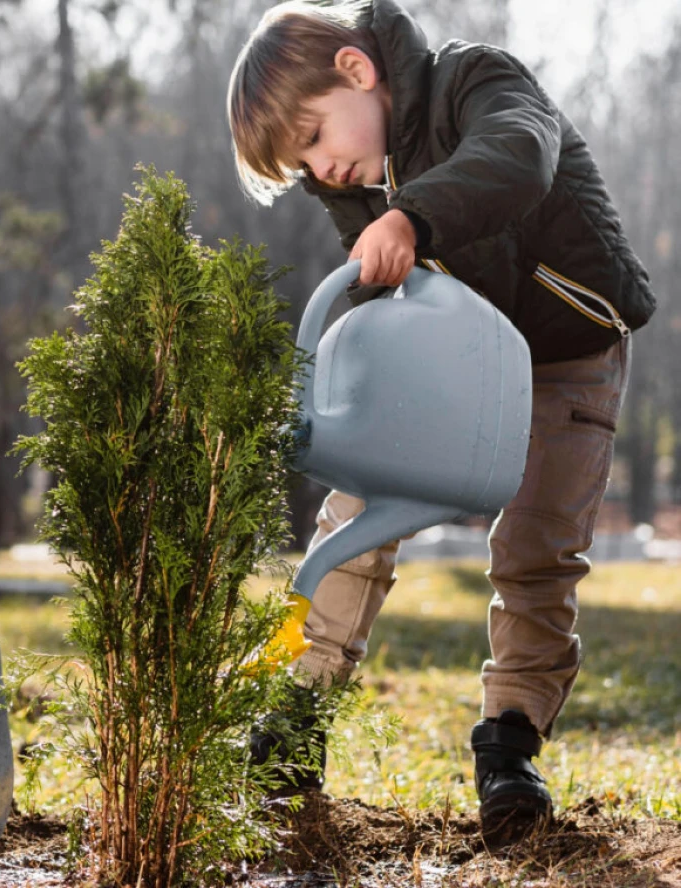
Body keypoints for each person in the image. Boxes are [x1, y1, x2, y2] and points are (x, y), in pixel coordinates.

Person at [227, 0, 654, 842]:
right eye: (300, 163)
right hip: (459, 359)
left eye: (315, 138)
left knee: (536, 548)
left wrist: (412, 216)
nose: (320, 169)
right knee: (359, 508)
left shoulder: (475, 80)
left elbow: (518, 157)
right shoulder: (353, 180)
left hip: (567, 348)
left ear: (357, 71)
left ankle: (510, 748)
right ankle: (299, 711)